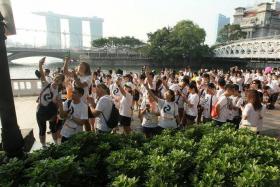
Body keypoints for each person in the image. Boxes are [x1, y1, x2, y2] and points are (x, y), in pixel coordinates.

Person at [36, 57, 65, 147]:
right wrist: (40, 64)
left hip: (52, 111)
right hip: (41, 110)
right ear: (53, 78)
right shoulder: (45, 84)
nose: (55, 82)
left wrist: (61, 111)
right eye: (55, 79)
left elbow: (59, 102)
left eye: (58, 81)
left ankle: (56, 144)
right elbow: (42, 75)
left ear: (61, 82)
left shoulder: (58, 91)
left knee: (53, 128)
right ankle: (44, 146)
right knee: (42, 129)